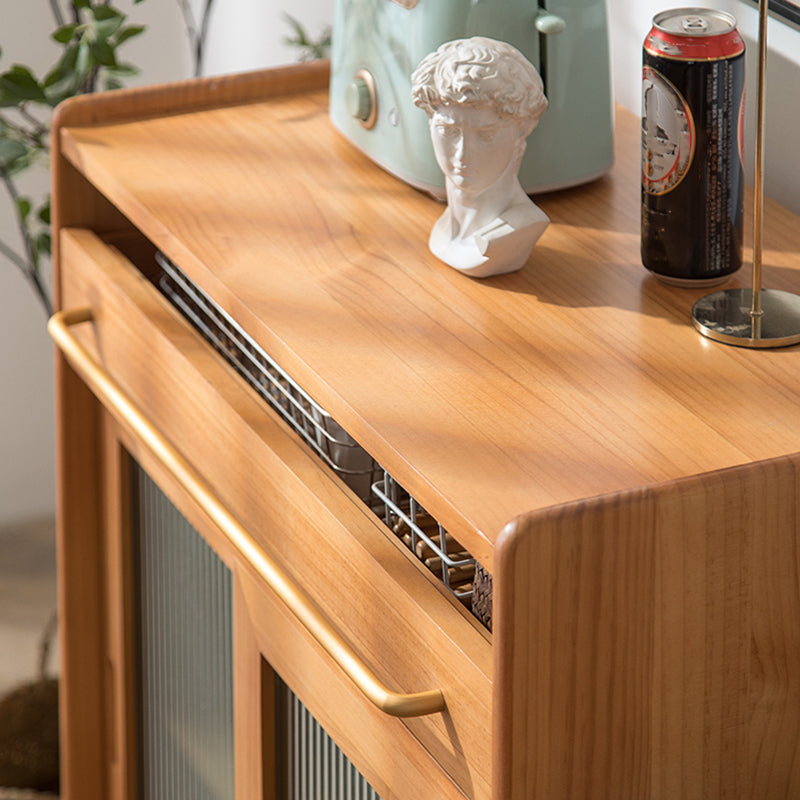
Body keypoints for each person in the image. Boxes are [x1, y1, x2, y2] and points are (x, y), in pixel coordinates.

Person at [412, 36, 550, 277]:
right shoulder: (445, 227)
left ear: (521, 130)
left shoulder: (521, 227)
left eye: (485, 135)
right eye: (449, 131)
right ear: (430, 122)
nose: (463, 153)